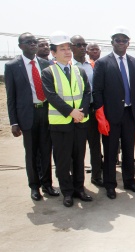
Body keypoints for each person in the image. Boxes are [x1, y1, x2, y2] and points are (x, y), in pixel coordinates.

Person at [5, 32, 59, 201]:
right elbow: (11, 97)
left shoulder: (45, 64)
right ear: (21, 46)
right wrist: (14, 122)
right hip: (27, 115)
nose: (33, 45)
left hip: (46, 112)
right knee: (31, 152)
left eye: (34, 42)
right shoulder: (12, 66)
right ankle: (34, 187)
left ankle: (47, 184)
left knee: (45, 150)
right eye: (29, 42)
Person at [41, 31, 92, 207]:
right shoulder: (48, 72)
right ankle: (67, 192)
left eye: (68, 48)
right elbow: (51, 96)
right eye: (62, 49)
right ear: (53, 53)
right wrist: (71, 112)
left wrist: (82, 113)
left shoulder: (79, 71)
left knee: (79, 159)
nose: (67, 51)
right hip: (61, 124)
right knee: (63, 160)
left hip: (80, 123)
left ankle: (79, 188)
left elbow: (87, 92)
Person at [93, 26, 135, 199]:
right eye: (117, 40)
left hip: (130, 114)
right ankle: (110, 185)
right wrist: (101, 116)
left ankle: (129, 181)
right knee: (110, 151)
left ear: (128, 43)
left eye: (124, 40)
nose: (121, 43)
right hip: (111, 115)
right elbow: (97, 91)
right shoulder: (102, 63)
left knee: (129, 150)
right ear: (112, 42)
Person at [70, 35, 103, 187]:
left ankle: (97, 176)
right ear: (71, 47)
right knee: (78, 149)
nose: (82, 47)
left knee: (95, 146)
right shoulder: (68, 66)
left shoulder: (92, 65)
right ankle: (78, 182)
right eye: (78, 45)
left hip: (92, 110)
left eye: (84, 44)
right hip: (76, 113)